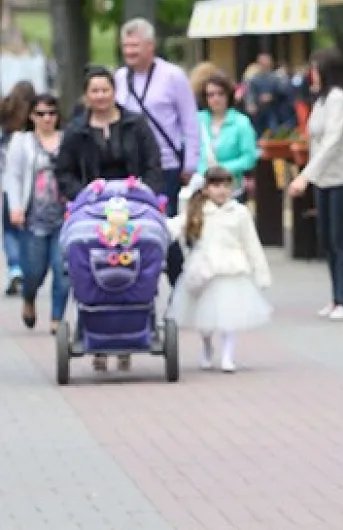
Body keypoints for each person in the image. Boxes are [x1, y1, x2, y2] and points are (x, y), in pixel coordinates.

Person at [56, 66, 163, 373]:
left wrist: (149, 194)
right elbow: (64, 171)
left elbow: (153, 162)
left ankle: (136, 323)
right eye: (95, 91)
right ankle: (94, 329)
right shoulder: (77, 132)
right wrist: (82, 195)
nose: (101, 96)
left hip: (134, 203)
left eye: (106, 90)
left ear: (114, 92)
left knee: (142, 257)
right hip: (92, 207)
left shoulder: (135, 125)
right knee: (89, 263)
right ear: (87, 96)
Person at [286, 48, 343, 321]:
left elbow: (333, 141)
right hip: (325, 178)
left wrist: (305, 176)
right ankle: (336, 297)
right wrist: (312, 176)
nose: (311, 75)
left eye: (315, 69)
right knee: (328, 238)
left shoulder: (339, 99)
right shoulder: (321, 101)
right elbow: (316, 143)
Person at [114, 18, 201, 285]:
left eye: (135, 46)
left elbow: (189, 120)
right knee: (129, 227)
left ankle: (179, 287)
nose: (130, 52)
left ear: (151, 46)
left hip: (166, 164)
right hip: (129, 166)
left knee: (167, 227)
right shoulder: (119, 78)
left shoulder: (173, 76)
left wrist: (191, 162)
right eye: (126, 46)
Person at [167, 167, 272, 372]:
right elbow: (176, 226)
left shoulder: (239, 213)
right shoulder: (197, 210)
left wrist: (261, 273)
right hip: (203, 268)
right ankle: (207, 347)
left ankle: (227, 355)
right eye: (216, 186)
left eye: (226, 186)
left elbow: (251, 243)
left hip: (231, 268)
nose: (222, 191)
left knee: (228, 316)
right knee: (204, 320)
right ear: (206, 189)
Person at [3, 93, 67, 334]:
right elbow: (13, 176)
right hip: (33, 218)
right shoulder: (22, 141)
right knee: (33, 272)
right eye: (41, 114)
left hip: (63, 217)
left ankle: (56, 317)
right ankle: (29, 299)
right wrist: (15, 207)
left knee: (63, 268)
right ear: (32, 116)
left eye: (51, 113)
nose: (47, 118)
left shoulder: (66, 140)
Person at [197, 73, 259, 198]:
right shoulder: (198, 120)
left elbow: (249, 158)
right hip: (203, 188)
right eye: (211, 95)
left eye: (220, 94)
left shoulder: (241, 122)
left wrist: (221, 169)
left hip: (231, 189)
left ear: (228, 95)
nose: (216, 98)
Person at [1, 80, 36, 295]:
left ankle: (15, 267)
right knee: (27, 229)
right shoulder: (34, 118)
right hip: (31, 182)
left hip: (7, 181)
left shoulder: (5, 114)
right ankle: (26, 265)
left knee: (9, 229)